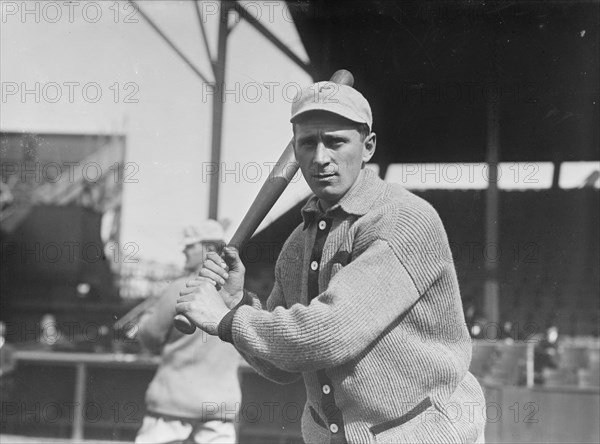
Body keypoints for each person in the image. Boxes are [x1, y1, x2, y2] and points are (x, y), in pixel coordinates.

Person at [176, 82, 487, 443]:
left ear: (368, 146)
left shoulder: (404, 219)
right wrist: (239, 303)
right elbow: (283, 366)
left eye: (336, 142)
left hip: (421, 432)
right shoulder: (297, 243)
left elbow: (330, 334)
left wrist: (226, 320)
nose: (320, 157)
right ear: (295, 150)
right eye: (308, 143)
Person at [135, 220, 241, 444]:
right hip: (220, 408)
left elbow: (151, 337)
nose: (184, 249)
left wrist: (144, 321)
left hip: (173, 406)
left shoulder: (181, 287)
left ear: (209, 250)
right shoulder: (237, 293)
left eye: (190, 245)